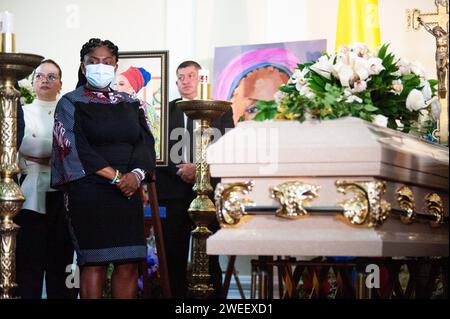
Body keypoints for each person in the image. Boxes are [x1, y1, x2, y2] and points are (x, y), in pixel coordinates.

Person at [50, 38, 156, 299]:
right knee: (94, 263)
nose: (100, 66)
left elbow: (145, 143)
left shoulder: (131, 103)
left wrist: (135, 175)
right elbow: (74, 147)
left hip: (127, 192)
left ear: (116, 66)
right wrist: (118, 177)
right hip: (88, 191)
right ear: (83, 67)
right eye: (93, 62)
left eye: (107, 62)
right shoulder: (70, 102)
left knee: (128, 263)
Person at [155, 60, 234, 298]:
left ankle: (215, 300)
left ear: (201, 80)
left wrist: (199, 170)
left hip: (209, 193)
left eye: (191, 75)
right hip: (173, 192)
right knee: (173, 255)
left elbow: (226, 147)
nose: (185, 80)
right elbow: (157, 149)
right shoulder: (166, 111)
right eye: (181, 77)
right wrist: (182, 171)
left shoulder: (221, 110)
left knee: (209, 254)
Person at [15, 59, 77, 299]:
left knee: (60, 264)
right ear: (33, 81)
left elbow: (72, 149)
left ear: (60, 84)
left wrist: (39, 153)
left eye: (52, 77)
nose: (45, 81)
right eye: (40, 76)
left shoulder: (69, 112)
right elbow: (19, 145)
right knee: (28, 264)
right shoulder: (22, 111)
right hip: (29, 197)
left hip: (62, 197)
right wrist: (55, 153)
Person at [115, 66, 161, 157]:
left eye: (121, 84)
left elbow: (155, 139)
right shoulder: (112, 105)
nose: (116, 88)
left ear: (133, 87)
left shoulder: (145, 108)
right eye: (115, 85)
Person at [419, 17, 448, 98]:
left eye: (437, 31)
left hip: (444, 54)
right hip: (438, 55)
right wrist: (423, 23)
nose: (436, 33)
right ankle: (441, 84)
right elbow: (428, 30)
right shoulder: (437, 37)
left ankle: (443, 85)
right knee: (439, 69)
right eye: (435, 32)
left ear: (440, 30)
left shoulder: (446, 36)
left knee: (443, 68)